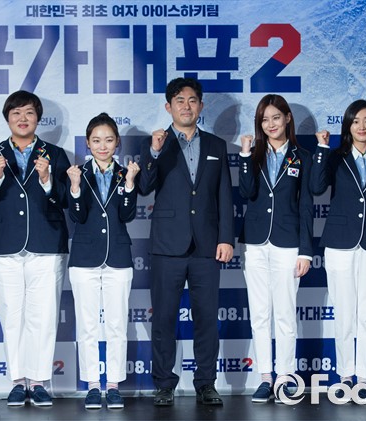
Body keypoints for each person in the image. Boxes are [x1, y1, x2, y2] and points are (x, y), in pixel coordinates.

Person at [138, 77, 234, 406]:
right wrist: (154, 152)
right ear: (168, 107)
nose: (186, 106)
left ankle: (206, 382)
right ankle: (164, 384)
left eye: (192, 100)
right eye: (179, 100)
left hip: (207, 245)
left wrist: (226, 238)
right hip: (168, 246)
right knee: (164, 318)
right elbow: (144, 187)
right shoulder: (156, 143)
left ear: (201, 106)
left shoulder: (216, 146)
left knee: (206, 318)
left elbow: (224, 195)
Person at [0, 90, 70, 407]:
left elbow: (67, 199)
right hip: (2, 247)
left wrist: (47, 179)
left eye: (29, 112)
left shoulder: (55, 154)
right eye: (16, 113)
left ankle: (38, 381)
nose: (22, 118)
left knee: (44, 316)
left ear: (38, 118)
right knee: (11, 317)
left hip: (47, 243)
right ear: (7, 119)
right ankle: (18, 380)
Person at [310, 100, 366, 403]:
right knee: (345, 314)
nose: (362, 127)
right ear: (347, 125)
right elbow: (316, 187)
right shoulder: (335, 157)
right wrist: (322, 148)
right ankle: (346, 375)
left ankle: (363, 377)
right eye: (356, 121)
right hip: (340, 244)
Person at [237, 94, 313, 403]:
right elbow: (246, 192)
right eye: (265, 119)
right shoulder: (253, 155)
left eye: (276, 118)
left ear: (287, 118)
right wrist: (244, 156)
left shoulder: (302, 156)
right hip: (255, 244)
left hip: (288, 243)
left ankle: (284, 376)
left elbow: (306, 205)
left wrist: (305, 251)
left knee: (284, 314)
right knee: (259, 314)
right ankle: (265, 377)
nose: (271, 124)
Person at [66, 112, 140, 409]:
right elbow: (77, 216)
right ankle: (93, 385)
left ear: (117, 142)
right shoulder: (77, 173)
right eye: (96, 140)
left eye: (108, 140)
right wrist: (74, 188)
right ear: (87, 143)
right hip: (84, 258)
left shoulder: (125, 173)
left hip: (118, 258)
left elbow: (127, 215)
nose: (102, 146)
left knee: (116, 325)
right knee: (87, 325)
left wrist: (131, 183)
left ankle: (113, 385)